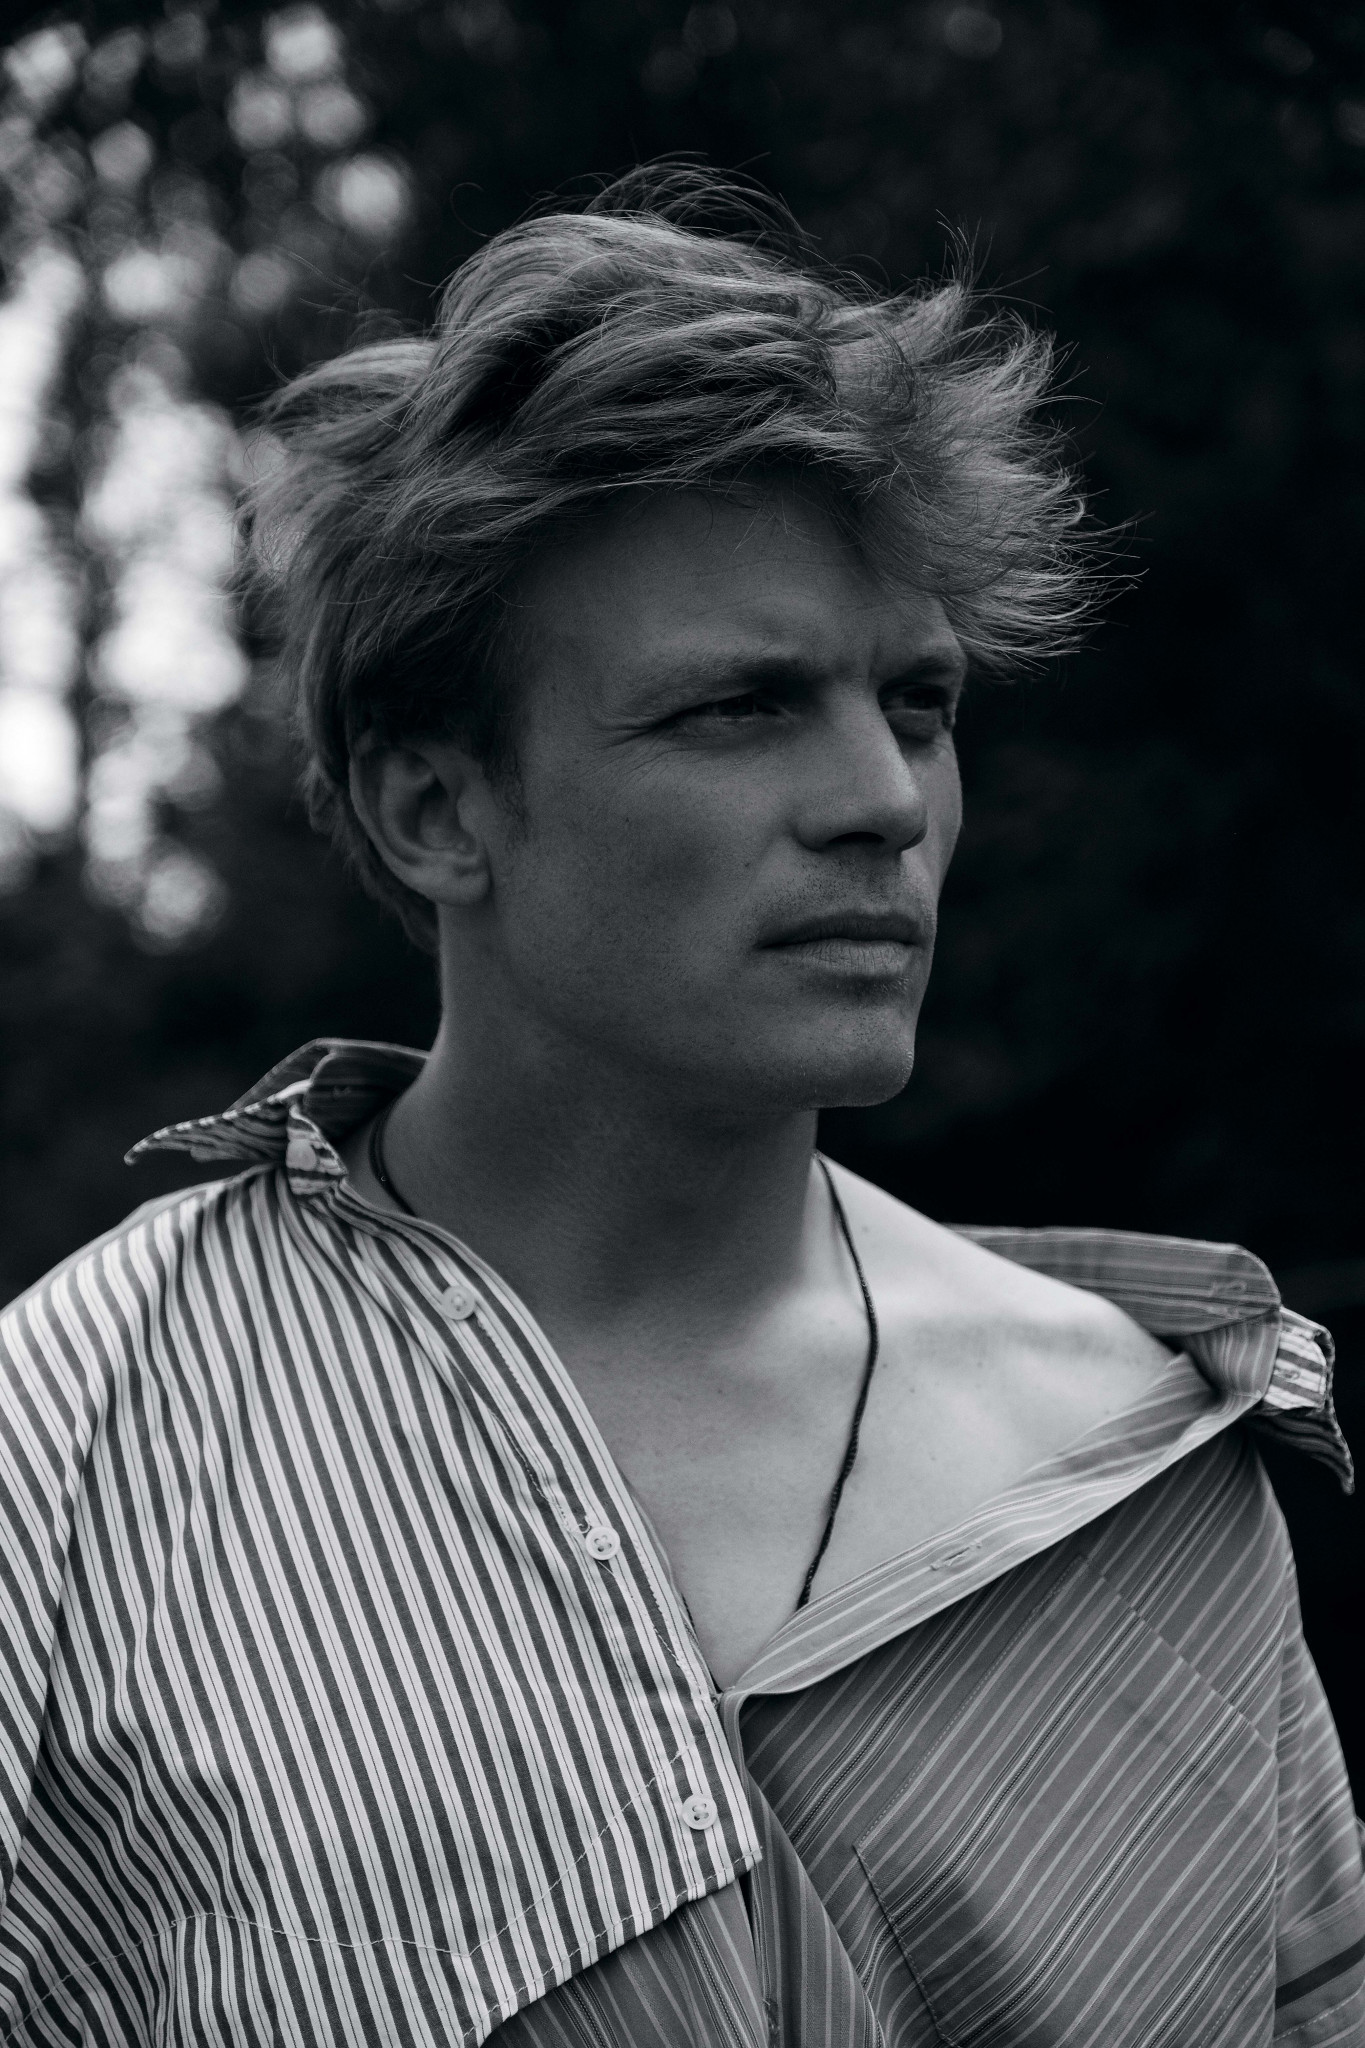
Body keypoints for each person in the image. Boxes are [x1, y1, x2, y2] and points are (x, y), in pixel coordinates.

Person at [1, 167, 1360, 2048]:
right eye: (737, 708)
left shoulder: (1136, 1464)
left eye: (919, 705)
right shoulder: (69, 1461)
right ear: (434, 808)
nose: (880, 802)